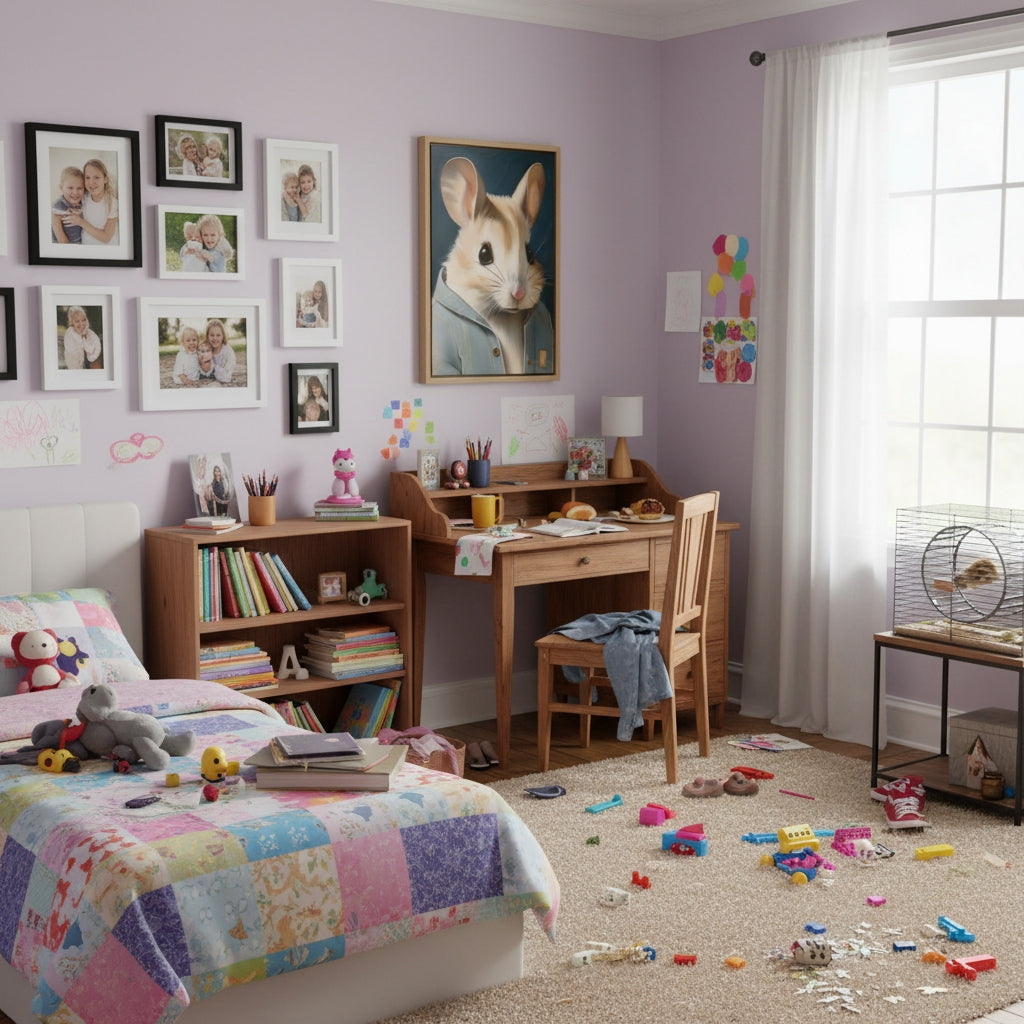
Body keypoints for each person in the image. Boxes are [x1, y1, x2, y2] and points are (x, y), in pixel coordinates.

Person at [64, 158, 118, 245]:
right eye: (87, 177)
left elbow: (106, 237)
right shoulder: (84, 197)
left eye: (96, 177)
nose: (91, 182)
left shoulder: (112, 203)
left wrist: (81, 222)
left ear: (105, 179)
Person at [51, 167, 85, 244]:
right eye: (70, 188)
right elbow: (61, 239)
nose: (75, 192)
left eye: (79, 188)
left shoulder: (83, 204)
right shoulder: (57, 208)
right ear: (61, 188)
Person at [206, 318, 236, 384]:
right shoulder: (206, 349)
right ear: (207, 336)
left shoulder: (228, 352)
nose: (215, 338)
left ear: (223, 336)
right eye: (212, 335)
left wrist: (211, 366)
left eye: (218, 335)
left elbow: (227, 377)